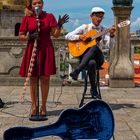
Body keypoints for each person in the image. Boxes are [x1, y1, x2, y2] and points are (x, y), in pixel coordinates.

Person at [19, 0, 69, 118]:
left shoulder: (49, 16)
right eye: (34, 3)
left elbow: (55, 34)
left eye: (39, 3)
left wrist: (59, 25)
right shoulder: (27, 18)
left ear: (43, 4)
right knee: (33, 78)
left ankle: (44, 106)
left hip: (46, 48)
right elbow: (20, 35)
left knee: (45, 78)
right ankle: (34, 106)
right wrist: (29, 36)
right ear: (31, 5)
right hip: (33, 48)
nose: (37, 5)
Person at [65, 7, 116, 98]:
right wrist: (80, 37)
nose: (99, 19)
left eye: (101, 17)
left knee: (95, 47)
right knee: (91, 63)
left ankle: (77, 70)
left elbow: (111, 46)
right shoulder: (85, 27)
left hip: (99, 58)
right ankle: (93, 89)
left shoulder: (103, 30)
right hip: (86, 59)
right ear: (91, 16)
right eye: (97, 16)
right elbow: (67, 36)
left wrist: (112, 35)